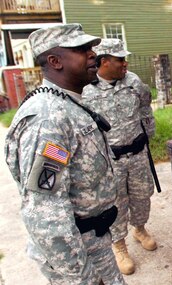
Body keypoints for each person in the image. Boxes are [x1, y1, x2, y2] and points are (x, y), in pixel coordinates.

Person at [4, 24, 126, 284]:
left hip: (95, 240)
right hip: (77, 254)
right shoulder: (48, 118)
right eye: (82, 49)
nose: (93, 54)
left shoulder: (67, 102)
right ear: (54, 61)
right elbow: (45, 213)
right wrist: (82, 277)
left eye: (91, 48)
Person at [82, 38, 157, 275]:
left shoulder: (133, 81)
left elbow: (146, 105)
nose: (125, 63)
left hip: (137, 154)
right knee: (116, 203)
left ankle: (140, 229)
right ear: (104, 62)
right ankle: (119, 245)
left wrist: (148, 133)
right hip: (110, 161)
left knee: (142, 196)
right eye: (120, 59)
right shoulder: (86, 89)